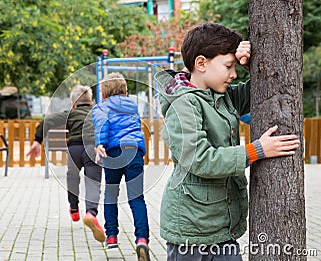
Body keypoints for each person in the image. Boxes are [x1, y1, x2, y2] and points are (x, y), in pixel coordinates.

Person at [154, 23, 300, 260]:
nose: (233, 74)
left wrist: (252, 66)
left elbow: (260, 92)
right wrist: (256, 151)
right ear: (201, 64)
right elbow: (198, 158)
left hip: (222, 229)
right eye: (228, 66)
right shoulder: (182, 104)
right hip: (191, 232)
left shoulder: (221, 95)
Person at [27, 85, 105, 242]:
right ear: (91, 103)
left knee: (72, 177)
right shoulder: (97, 112)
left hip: (74, 148)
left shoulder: (71, 113)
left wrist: (37, 140)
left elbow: (47, 121)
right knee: (93, 182)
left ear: (73, 104)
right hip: (92, 147)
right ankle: (91, 213)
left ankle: (74, 209)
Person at [92, 73, 150, 261]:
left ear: (103, 95)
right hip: (133, 151)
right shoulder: (132, 106)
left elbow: (102, 124)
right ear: (125, 92)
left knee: (111, 194)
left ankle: (112, 236)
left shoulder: (102, 106)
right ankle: (142, 239)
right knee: (137, 198)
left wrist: (100, 143)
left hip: (113, 153)